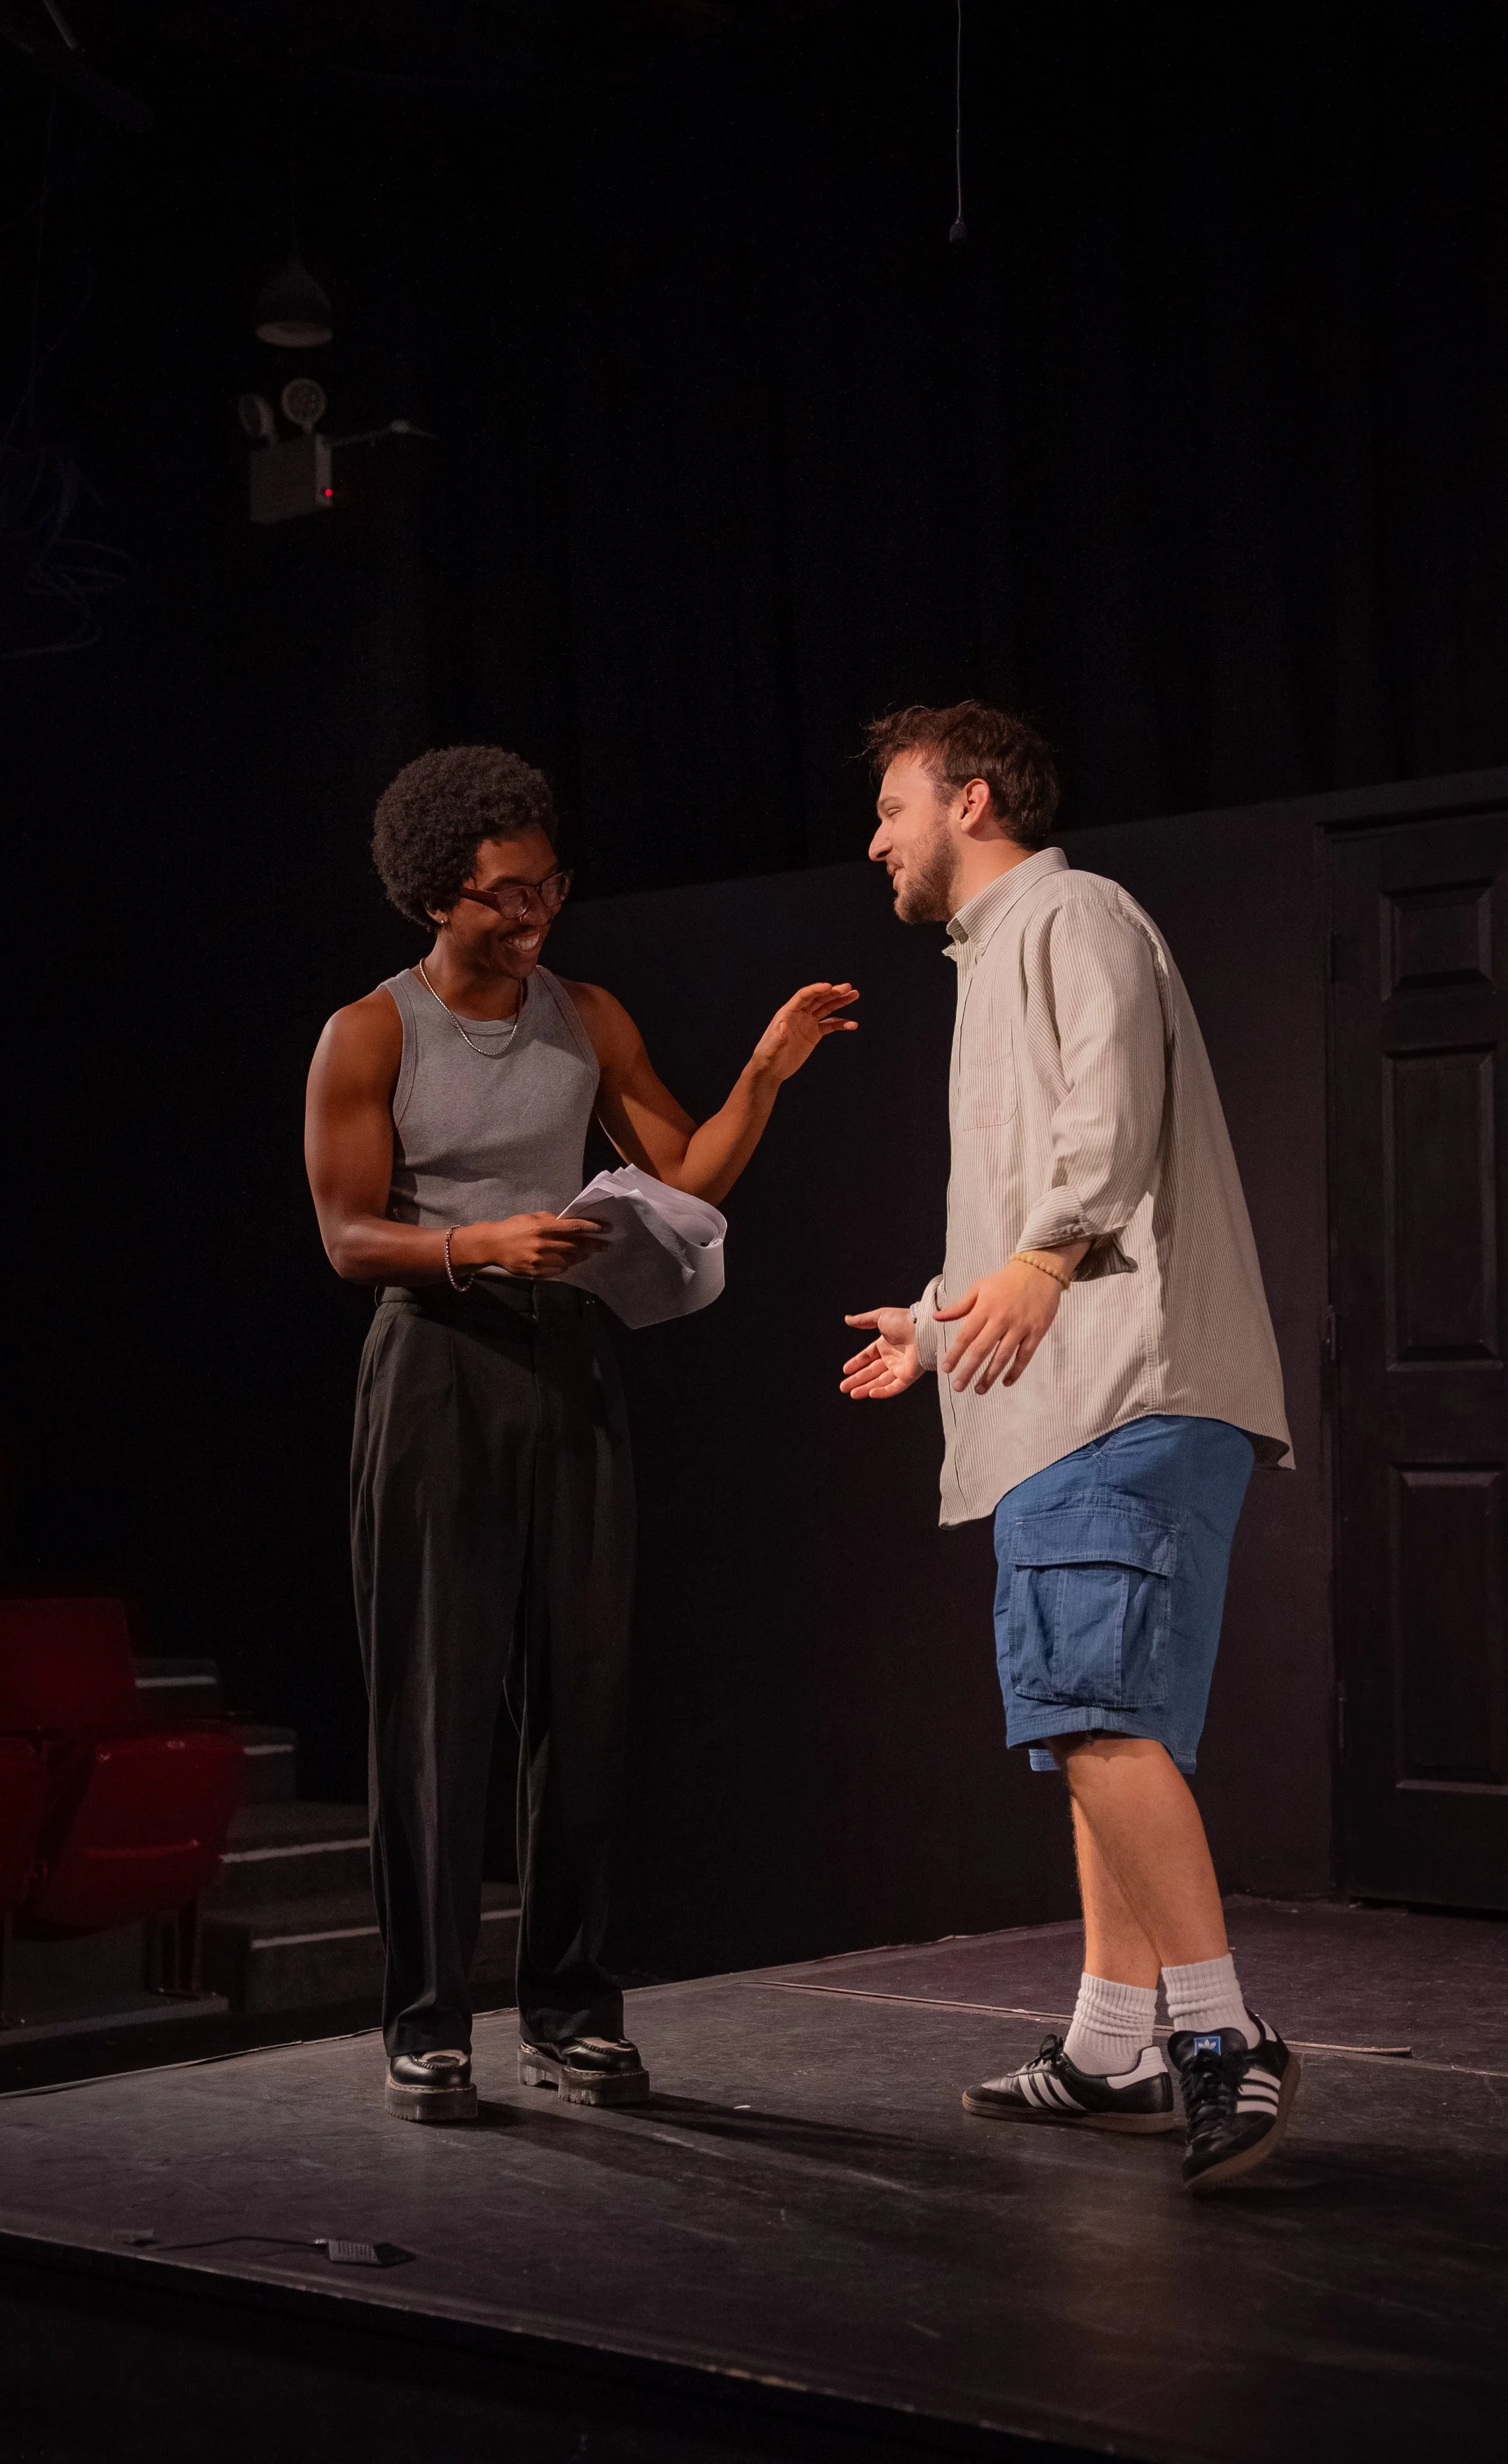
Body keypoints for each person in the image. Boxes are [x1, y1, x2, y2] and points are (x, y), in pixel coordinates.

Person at [305, 744, 856, 2123]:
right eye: (504, 892)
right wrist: (474, 1240)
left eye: (548, 882)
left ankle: (568, 2003)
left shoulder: (588, 1014)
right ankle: (426, 2021)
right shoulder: (368, 1032)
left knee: (583, 1696)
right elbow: (343, 1234)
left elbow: (689, 1176)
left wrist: (768, 1068)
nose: (534, 909)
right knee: (433, 1705)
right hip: (435, 1364)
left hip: (568, 1364)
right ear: (438, 894)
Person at [840, 700, 1297, 2194]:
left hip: (1119, 1396)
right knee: (1097, 1729)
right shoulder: (998, 958)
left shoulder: (1067, 909)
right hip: (1071, 1404)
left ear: (970, 799)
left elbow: (1107, 1110)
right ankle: (1113, 2047)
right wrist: (932, 1316)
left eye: (893, 807)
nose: (876, 839)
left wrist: (1037, 1262)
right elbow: (1036, 1184)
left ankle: (1225, 2032)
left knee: (1097, 1716)